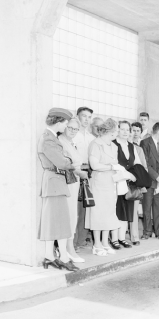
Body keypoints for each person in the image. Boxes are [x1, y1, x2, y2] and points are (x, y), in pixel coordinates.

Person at [38, 108, 79, 272]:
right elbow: (63, 163)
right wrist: (69, 161)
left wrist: (66, 160)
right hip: (55, 181)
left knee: (54, 222)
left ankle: (49, 256)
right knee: (61, 221)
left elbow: (62, 161)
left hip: (55, 181)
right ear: (58, 122)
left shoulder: (51, 138)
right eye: (66, 123)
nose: (67, 126)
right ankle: (63, 257)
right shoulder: (49, 139)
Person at [85, 118, 120, 256]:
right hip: (98, 182)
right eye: (116, 131)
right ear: (109, 131)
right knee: (98, 213)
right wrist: (112, 166)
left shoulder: (114, 146)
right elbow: (94, 165)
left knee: (109, 213)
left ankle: (105, 243)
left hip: (111, 182)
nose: (116, 133)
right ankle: (97, 244)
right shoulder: (95, 144)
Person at [58, 117, 89, 263]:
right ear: (64, 126)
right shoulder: (60, 141)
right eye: (70, 128)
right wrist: (79, 171)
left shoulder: (72, 142)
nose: (73, 131)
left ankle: (67, 248)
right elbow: (65, 164)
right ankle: (67, 249)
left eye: (76, 129)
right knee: (68, 215)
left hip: (74, 182)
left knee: (72, 215)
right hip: (67, 181)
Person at [110, 121, 141, 249]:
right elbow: (112, 164)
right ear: (117, 130)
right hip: (116, 182)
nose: (125, 132)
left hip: (128, 184)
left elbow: (137, 163)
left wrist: (136, 176)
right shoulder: (112, 144)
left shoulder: (131, 146)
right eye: (122, 129)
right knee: (115, 210)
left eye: (127, 130)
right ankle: (114, 239)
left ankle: (122, 238)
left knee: (126, 211)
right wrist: (127, 175)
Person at [140, 122, 159, 240]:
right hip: (150, 180)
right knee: (147, 207)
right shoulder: (145, 143)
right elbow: (145, 163)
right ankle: (147, 231)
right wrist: (156, 176)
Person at [72, 107, 95, 249]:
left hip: (89, 172)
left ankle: (81, 239)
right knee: (76, 210)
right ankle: (73, 242)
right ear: (77, 117)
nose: (86, 119)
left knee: (86, 207)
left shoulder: (91, 137)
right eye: (84, 116)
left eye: (89, 117)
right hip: (76, 172)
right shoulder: (73, 135)